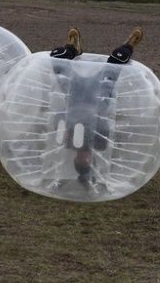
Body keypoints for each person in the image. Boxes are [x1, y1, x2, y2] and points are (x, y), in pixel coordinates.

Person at [47, 27, 143, 187]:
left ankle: (73, 48)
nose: (83, 158)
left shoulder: (67, 142)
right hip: (99, 96)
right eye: (86, 161)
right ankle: (129, 45)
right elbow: (103, 123)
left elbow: (58, 116)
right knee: (118, 60)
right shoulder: (100, 144)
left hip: (74, 97)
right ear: (92, 160)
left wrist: (63, 129)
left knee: (57, 56)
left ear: (75, 160)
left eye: (80, 161)